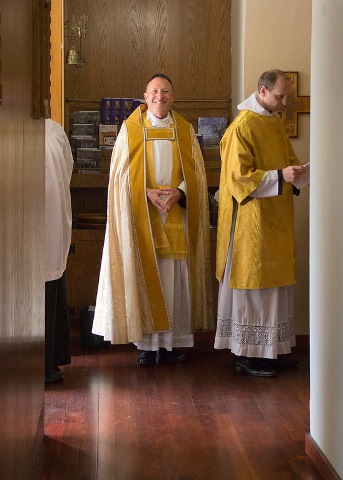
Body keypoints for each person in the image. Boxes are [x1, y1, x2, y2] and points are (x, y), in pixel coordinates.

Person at [92, 73, 213, 366]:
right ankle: (147, 345)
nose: (160, 96)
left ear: (173, 97)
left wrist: (181, 192)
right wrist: (144, 191)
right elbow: (118, 177)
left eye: (166, 91)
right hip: (142, 217)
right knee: (146, 276)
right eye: (154, 91)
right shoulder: (130, 130)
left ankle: (173, 344)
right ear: (145, 97)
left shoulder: (184, 131)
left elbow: (197, 175)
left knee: (176, 279)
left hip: (175, 216)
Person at [214, 69, 308, 377]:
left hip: (276, 218)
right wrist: (281, 176)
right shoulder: (241, 126)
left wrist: (302, 172)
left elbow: (289, 162)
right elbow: (237, 178)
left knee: (274, 289)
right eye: (280, 97)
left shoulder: (273, 123)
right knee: (253, 288)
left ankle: (270, 351)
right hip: (251, 222)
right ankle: (246, 354)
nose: (284, 103)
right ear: (262, 91)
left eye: (285, 97)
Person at [45, 118, 73, 383]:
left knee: (48, 289)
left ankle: (48, 363)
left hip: (49, 226)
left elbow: (66, 171)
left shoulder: (53, 130)